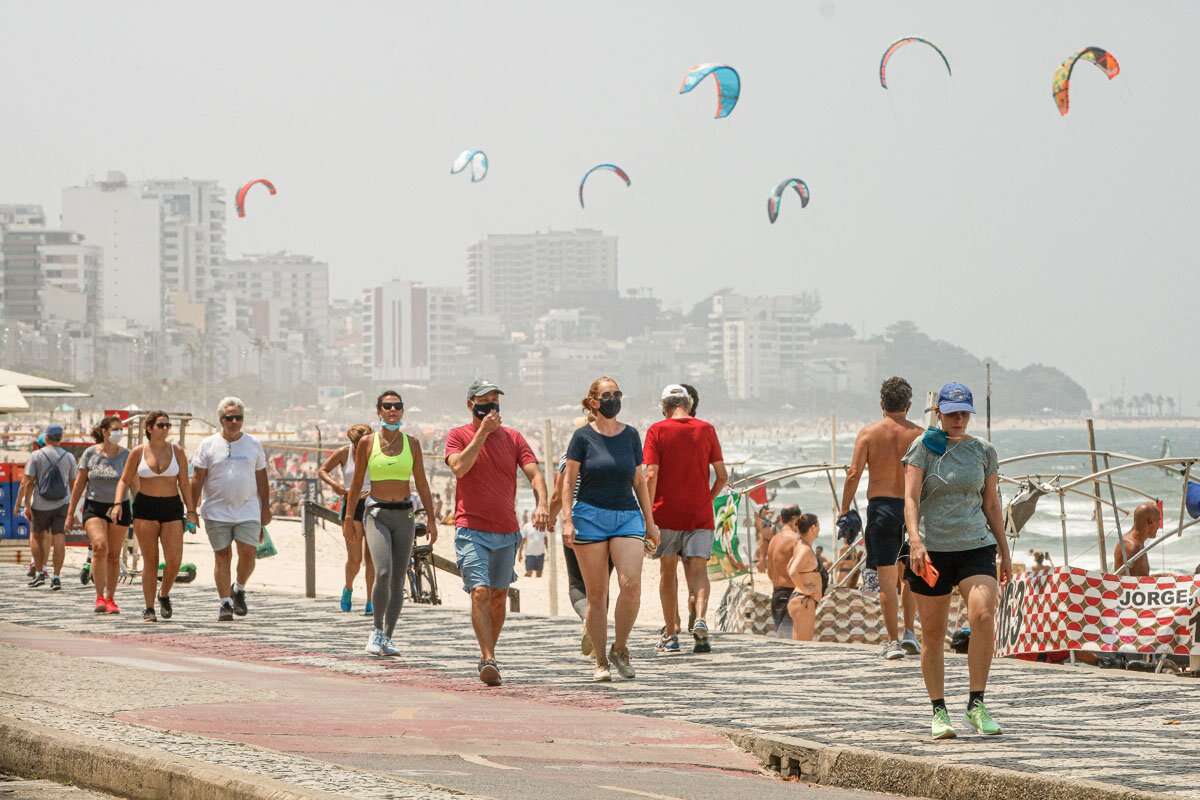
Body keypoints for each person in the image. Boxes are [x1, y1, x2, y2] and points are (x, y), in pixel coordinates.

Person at [902, 382, 1011, 739]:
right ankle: (939, 710)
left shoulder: (984, 451)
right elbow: (911, 499)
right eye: (951, 413)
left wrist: (1005, 550)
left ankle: (976, 703)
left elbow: (992, 503)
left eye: (964, 413)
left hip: (976, 545)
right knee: (932, 635)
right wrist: (915, 541)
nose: (959, 419)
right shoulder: (924, 448)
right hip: (932, 550)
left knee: (982, 613)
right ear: (940, 413)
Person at [445, 379, 548, 686]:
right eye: (484, 403)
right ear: (470, 405)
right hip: (470, 528)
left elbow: (533, 472)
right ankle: (487, 657)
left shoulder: (514, 437)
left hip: (506, 530)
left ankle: (491, 651)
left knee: (499, 596)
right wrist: (482, 433)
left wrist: (542, 502)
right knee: (479, 591)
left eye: (495, 403)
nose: (491, 408)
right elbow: (460, 468)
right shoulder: (457, 435)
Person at [562, 376, 660, 682]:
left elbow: (639, 480)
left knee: (630, 584)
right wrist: (567, 519)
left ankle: (621, 647)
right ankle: (601, 660)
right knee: (598, 594)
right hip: (589, 516)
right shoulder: (581, 437)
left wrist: (650, 522)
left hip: (626, 515)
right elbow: (568, 480)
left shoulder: (630, 435)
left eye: (617, 394)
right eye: (607, 395)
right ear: (593, 402)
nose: (613, 399)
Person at [347, 391, 438, 659]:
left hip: (405, 515)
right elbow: (356, 484)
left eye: (397, 406)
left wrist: (431, 518)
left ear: (402, 411)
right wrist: (349, 518)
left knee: (399, 579)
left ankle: (388, 635)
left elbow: (421, 482)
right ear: (379, 411)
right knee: (383, 572)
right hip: (376, 513)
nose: (392, 410)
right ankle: (375, 630)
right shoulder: (366, 443)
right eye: (387, 406)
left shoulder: (412, 444)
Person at [840, 376, 923, 660]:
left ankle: (892, 641)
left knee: (886, 578)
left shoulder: (869, 433)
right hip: (913, 509)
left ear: (881, 404)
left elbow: (853, 474)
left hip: (882, 509)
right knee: (909, 576)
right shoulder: (919, 435)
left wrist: (843, 508)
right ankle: (910, 632)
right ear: (908, 405)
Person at [645, 384, 727, 655]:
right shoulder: (706, 429)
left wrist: (648, 513)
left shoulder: (657, 430)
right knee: (699, 571)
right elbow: (722, 475)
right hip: (700, 513)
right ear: (689, 405)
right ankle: (701, 618)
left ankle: (671, 634)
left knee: (668, 572)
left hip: (665, 512)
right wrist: (709, 497)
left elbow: (650, 474)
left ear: (664, 407)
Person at [113, 411, 198, 622]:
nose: (166, 429)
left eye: (168, 425)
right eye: (161, 425)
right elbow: (124, 480)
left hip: (171, 506)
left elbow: (184, 483)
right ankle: (149, 607)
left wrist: (191, 511)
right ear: (149, 428)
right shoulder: (138, 452)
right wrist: (117, 503)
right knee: (151, 560)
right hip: (145, 506)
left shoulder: (177, 451)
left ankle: (164, 593)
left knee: (174, 560)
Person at [191, 398, 271, 623]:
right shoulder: (207, 445)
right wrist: (191, 509)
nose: (234, 422)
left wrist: (266, 508)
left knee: (248, 552)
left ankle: (240, 588)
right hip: (216, 511)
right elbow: (197, 479)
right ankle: (225, 602)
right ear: (221, 420)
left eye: (238, 418)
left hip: (248, 509)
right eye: (229, 418)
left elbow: (262, 479)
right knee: (222, 555)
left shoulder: (254, 444)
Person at [549, 417, 613, 657]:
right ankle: (599, 646)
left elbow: (558, 495)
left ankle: (588, 617)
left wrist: (549, 517)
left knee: (578, 584)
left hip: (577, 524)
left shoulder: (569, 459)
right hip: (610, 525)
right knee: (602, 585)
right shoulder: (613, 456)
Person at [66, 416, 131, 613]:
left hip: (120, 507)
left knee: (113, 555)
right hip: (94, 506)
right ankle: (99, 597)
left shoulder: (126, 455)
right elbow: (79, 485)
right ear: (104, 431)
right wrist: (70, 513)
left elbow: (133, 483)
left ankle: (111, 598)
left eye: (121, 429)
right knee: (100, 546)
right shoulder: (89, 454)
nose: (119, 432)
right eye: (115, 429)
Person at [319, 423, 376, 614]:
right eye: (359, 443)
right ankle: (348, 588)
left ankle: (371, 600)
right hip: (352, 503)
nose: (364, 445)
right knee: (355, 558)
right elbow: (323, 470)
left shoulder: (376, 452)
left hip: (373, 503)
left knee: (372, 558)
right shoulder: (345, 453)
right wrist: (336, 486)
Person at [19, 424, 78, 590]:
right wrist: (72, 508)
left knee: (37, 536)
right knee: (59, 537)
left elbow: (28, 482)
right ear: (60, 438)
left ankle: (40, 572)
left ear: (46, 438)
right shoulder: (69, 457)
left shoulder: (36, 455)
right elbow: (74, 483)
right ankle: (57, 576)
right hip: (62, 503)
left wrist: (26, 505)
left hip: (40, 504)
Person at [786, 513, 824, 641]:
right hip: (804, 601)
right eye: (818, 525)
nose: (819, 528)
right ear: (813, 528)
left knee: (799, 645)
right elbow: (792, 571)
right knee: (804, 645)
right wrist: (805, 589)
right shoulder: (805, 549)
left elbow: (789, 566)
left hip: (801, 600)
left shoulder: (800, 545)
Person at [766, 505, 803, 638]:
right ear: (795, 519)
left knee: (782, 642)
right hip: (791, 594)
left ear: (781, 519)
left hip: (776, 595)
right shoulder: (796, 540)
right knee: (792, 641)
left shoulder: (773, 540)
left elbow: (770, 572)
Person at [1113, 502, 1161, 576]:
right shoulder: (1134, 548)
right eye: (1158, 521)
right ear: (1150, 521)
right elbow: (1137, 585)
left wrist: (1161, 575)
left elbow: (1137, 579)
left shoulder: (1127, 540)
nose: (1159, 526)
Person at [519, 510, 546, 577]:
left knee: (539, 574)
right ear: (532, 516)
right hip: (529, 554)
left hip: (540, 554)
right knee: (529, 573)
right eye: (534, 516)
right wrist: (520, 553)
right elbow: (523, 540)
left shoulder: (543, 526)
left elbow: (545, 539)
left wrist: (548, 550)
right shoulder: (527, 526)